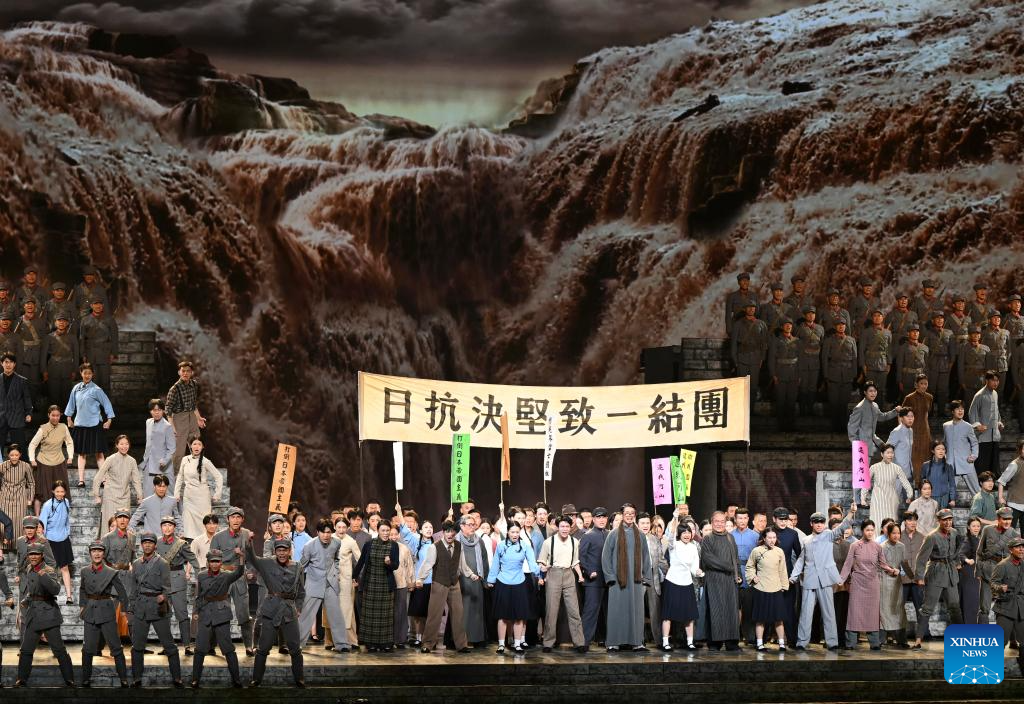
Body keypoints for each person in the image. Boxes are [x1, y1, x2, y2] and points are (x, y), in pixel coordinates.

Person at [789, 504, 856, 651]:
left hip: (825, 579)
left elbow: (842, 526)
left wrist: (851, 512)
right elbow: (801, 559)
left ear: (824, 524)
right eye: (816, 522)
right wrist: (793, 576)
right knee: (806, 613)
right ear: (811, 524)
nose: (819, 525)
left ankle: (832, 642)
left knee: (829, 612)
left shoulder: (829, 535)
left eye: (821, 522)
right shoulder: (806, 540)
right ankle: (802, 642)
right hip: (810, 580)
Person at [244, 536, 306, 687]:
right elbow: (252, 558)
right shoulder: (267, 563)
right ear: (274, 551)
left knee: (295, 648)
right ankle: (256, 679)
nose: (282, 553)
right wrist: (249, 543)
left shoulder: (298, 567)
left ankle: (299, 678)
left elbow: (301, 592)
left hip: (288, 611)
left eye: (285, 550)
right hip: (271, 610)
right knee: (263, 648)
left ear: (290, 551)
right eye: (279, 550)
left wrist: (298, 607)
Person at [13, 544, 75, 687]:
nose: (33, 556)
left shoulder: (48, 570)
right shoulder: (29, 568)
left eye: (36, 554)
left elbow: (56, 590)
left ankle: (69, 679)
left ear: (42, 555)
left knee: (59, 649)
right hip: (33, 614)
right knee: (26, 649)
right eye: (31, 554)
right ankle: (22, 679)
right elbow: (32, 591)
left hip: (48, 614)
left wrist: (44, 576)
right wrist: (26, 600)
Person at [127, 531, 184, 688]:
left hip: (158, 608)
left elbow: (167, 588)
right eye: (145, 542)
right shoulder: (137, 564)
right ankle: (137, 677)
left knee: (169, 645)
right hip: (140, 607)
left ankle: (177, 677)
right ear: (142, 545)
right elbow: (133, 589)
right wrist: (130, 609)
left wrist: (163, 597)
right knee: (137, 646)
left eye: (150, 542)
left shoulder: (163, 563)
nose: (147, 545)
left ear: (155, 545)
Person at [189, 548, 244, 689]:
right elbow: (199, 595)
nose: (214, 564)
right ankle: (195, 679)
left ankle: (236, 679)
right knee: (200, 648)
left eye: (217, 561)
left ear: (221, 563)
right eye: (212, 561)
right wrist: (196, 611)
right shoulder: (201, 576)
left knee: (228, 648)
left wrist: (241, 558)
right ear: (208, 562)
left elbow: (239, 572)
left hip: (221, 614)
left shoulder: (226, 576)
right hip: (206, 613)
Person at [417, 519, 473, 654]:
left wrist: (470, 574)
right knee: (434, 615)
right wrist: (420, 579)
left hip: (454, 583)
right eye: (448, 531)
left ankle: (461, 644)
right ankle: (428, 643)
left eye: (453, 532)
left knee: (458, 614)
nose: (450, 534)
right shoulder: (434, 547)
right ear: (443, 532)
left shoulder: (459, 546)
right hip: (439, 583)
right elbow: (427, 564)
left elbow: (462, 563)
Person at [601, 503, 652, 652]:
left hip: (635, 580)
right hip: (617, 580)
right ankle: (613, 642)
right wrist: (610, 576)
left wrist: (646, 577)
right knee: (616, 611)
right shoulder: (614, 534)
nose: (629, 515)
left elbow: (646, 557)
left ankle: (637, 642)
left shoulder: (640, 535)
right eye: (627, 513)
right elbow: (606, 557)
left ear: (634, 515)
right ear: (622, 515)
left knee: (636, 612)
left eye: (632, 513)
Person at [79, 541, 129, 688]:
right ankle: (85, 678)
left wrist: (125, 610)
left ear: (103, 553)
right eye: (94, 551)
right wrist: (82, 606)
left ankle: (124, 678)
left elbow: (122, 593)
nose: (97, 553)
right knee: (88, 648)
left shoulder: (111, 572)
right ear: (90, 553)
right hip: (90, 612)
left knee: (116, 647)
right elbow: (82, 589)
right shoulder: (84, 571)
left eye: (99, 551)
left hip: (106, 612)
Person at [840, 519, 897, 649]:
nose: (870, 532)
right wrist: (841, 579)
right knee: (854, 612)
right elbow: (848, 564)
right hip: (858, 583)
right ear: (862, 531)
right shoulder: (854, 545)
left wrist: (891, 570)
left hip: (872, 584)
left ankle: (874, 643)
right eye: (867, 530)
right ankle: (851, 643)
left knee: (872, 613)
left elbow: (882, 564)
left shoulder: (877, 546)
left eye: (872, 530)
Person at [487, 520, 540, 654]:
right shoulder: (500, 546)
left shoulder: (525, 545)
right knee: (502, 616)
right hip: (503, 582)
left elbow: (532, 563)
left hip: (519, 582)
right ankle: (501, 644)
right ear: (508, 532)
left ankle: (517, 644)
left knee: (519, 616)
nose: (515, 534)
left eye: (517, 532)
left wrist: (540, 572)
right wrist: (491, 580)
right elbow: (495, 564)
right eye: (512, 532)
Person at [297, 519, 349, 652]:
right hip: (314, 584)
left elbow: (336, 559)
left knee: (336, 615)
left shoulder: (336, 542)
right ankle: (297, 644)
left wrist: (336, 573)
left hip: (330, 584)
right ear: (318, 532)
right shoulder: (309, 546)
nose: (326, 536)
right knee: (306, 616)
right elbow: (301, 566)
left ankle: (341, 644)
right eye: (323, 533)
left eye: (329, 532)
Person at [537, 514, 586, 653]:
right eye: (562, 526)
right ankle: (548, 642)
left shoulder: (574, 542)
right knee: (552, 610)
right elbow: (541, 561)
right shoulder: (549, 542)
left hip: (569, 574)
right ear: (558, 527)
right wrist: (543, 569)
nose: (565, 529)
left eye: (567, 526)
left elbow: (575, 561)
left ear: (571, 527)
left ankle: (579, 642)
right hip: (554, 574)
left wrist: (581, 576)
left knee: (574, 610)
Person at [209, 507, 254, 655]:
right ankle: (213, 646)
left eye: (238, 517)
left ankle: (248, 646)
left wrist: (250, 571)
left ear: (242, 519)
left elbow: (252, 557)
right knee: (220, 612)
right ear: (227, 519)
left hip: (240, 576)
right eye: (233, 517)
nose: (235, 520)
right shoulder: (218, 537)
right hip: (223, 576)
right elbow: (212, 559)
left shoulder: (247, 534)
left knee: (244, 613)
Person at [914, 508, 964, 641]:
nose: (948, 523)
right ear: (938, 521)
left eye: (950, 519)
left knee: (955, 607)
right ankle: (918, 639)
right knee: (927, 608)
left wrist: (957, 562)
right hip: (936, 573)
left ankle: (960, 637)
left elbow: (956, 551)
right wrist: (919, 577)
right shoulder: (932, 537)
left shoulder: (954, 533)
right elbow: (921, 558)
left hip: (951, 574)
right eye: (945, 520)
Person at [155, 515, 200, 655]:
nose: (167, 528)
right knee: (164, 615)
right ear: (161, 527)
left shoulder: (181, 544)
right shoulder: (157, 543)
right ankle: (167, 646)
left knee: (182, 614)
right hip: (162, 582)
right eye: (164, 525)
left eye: (170, 525)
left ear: (174, 527)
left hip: (178, 580)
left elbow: (193, 560)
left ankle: (187, 646)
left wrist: (201, 575)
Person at [353, 521, 401, 651]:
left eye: (387, 531)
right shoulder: (369, 544)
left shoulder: (394, 545)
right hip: (370, 583)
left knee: (385, 616)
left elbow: (396, 565)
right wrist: (353, 576)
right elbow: (362, 561)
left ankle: (385, 643)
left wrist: (389, 562)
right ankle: (370, 644)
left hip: (386, 585)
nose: (385, 533)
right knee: (370, 615)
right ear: (378, 531)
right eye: (383, 530)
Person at [66, 363, 114, 487]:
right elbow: (71, 404)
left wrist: (109, 420)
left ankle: (104, 479)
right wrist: (69, 418)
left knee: (99, 453)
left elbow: (107, 404)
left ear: (92, 374)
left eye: (89, 373)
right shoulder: (76, 388)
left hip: (94, 424)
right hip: (80, 424)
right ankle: (81, 480)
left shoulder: (97, 390)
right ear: (81, 373)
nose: (87, 375)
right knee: (82, 453)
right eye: (84, 373)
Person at [699, 511, 741, 651]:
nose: (719, 524)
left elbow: (735, 558)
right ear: (712, 522)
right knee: (715, 611)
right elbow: (708, 559)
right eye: (716, 521)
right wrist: (727, 567)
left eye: (722, 521)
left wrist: (738, 574)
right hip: (714, 579)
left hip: (730, 580)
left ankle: (731, 642)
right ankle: (714, 643)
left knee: (731, 611)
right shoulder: (707, 539)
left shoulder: (730, 538)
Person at [745, 527, 789, 651]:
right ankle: (759, 643)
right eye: (769, 537)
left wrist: (784, 586)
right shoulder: (757, 551)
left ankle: (781, 643)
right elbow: (749, 567)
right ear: (764, 538)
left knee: (779, 618)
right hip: (761, 588)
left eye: (774, 537)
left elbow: (782, 570)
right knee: (760, 618)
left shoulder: (779, 551)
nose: (772, 540)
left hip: (776, 588)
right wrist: (753, 577)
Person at [173, 436, 223, 540]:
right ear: (190, 446)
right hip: (189, 497)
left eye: (199, 444)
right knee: (188, 524)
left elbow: (218, 476)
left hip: (202, 497)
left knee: (204, 524)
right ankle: (191, 549)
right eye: (194, 444)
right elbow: (180, 477)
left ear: (202, 447)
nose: (196, 446)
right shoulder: (185, 459)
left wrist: (217, 494)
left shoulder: (205, 461)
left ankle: (205, 548)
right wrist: (176, 493)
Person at [660, 521, 701, 651]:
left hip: (687, 582)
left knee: (689, 614)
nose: (687, 535)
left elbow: (694, 567)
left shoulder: (694, 547)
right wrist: (674, 518)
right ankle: (665, 641)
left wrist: (697, 572)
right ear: (679, 534)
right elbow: (670, 537)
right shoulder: (674, 545)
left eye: (689, 532)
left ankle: (690, 642)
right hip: (672, 582)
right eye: (684, 532)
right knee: (668, 614)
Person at [976, 507, 1019, 627]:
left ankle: (1009, 638)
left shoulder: (1014, 534)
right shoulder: (987, 530)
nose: (1007, 522)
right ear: (998, 519)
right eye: (1004, 519)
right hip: (988, 571)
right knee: (984, 607)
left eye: (1009, 519)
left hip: (1005, 574)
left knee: (1006, 608)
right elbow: (979, 552)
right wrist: (978, 572)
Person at [28, 405, 74, 514]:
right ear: (49, 415)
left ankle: (59, 515)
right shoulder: (43, 428)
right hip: (43, 462)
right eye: (53, 415)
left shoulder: (63, 427)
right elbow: (32, 444)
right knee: (40, 491)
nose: (55, 418)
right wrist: (32, 459)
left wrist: (70, 456)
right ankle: (38, 518)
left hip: (58, 462)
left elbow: (69, 442)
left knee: (61, 490)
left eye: (58, 415)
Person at [92, 435, 142, 535]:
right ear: (117, 445)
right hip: (110, 496)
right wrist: (96, 495)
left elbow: (136, 479)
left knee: (124, 525)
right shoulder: (111, 459)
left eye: (126, 444)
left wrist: (140, 496)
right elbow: (98, 476)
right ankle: (106, 547)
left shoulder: (132, 461)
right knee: (110, 524)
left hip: (124, 496)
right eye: (121, 444)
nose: (124, 446)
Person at [990, 536, 1024, 677]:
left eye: (1023, 547)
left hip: (1021, 607)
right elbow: (992, 583)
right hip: (1006, 607)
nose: (1021, 549)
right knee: (1001, 640)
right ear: (1011, 549)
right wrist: (1000, 588)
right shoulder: (1003, 565)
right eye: (1018, 547)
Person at [165, 361, 206, 473]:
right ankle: (174, 473)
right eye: (183, 371)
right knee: (179, 449)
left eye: (188, 371)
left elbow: (193, 404)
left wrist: (198, 418)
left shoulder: (194, 385)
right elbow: (168, 409)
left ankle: (197, 469)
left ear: (192, 372)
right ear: (179, 372)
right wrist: (172, 426)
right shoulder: (174, 389)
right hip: (179, 418)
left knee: (196, 442)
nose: (185, 373)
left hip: (191, 416)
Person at [455, 514, 489, 646]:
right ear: (462, 526)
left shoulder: (479, 541)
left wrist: (485, 579)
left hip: (477, 580)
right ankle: (461, 640)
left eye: (474, 524)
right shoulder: (456, 540)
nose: (472, 527)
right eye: (469, 525)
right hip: (460, 580)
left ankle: (476, 638)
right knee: (462, 611)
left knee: (476, 611)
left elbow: (484, 560)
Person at [38, 480, 74, 601]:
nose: (60, 494)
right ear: (53, 491)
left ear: (65, 492)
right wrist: (43, 540)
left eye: (62, 491)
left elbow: (66, 519)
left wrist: (67, 532)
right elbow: (42, 524)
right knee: (50, 569)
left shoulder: (66, 502)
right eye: (57, 491)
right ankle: (50, 594)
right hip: (50, 540)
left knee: (64, 568)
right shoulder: (48, 505)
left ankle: (69, 596)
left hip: (63, 539)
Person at [861, 444, 913, 526]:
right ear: (882, 454)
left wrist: (910, 495)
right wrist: (863, 498)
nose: (890, 455)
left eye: (892, 453)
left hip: (891, 500)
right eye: (888, 453)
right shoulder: (874, 467)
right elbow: (866, 483)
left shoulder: (897, 468)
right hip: (877, 501)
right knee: (877, 523)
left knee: (891, 524)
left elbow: (905, 482)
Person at [579, 506, 609, 648]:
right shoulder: (588, 535)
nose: (601, 520)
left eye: (604, 517)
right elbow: (581, 557)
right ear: (593, 519)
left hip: (609, 581)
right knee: (590, 612)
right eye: (598, 517)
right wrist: (589, 571)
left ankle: (606, 640)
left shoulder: (610, 534)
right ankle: (583, 642)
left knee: (607, 613)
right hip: (594, 581)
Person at [822, 320, 859, 432]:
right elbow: (824, 359)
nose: (841, 327)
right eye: (839, 325)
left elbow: (854, 358)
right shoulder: (829, 340)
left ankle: (843, 426)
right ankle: (834, 426)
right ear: (835, 326)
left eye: (843, 325)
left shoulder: (851, 340)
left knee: (844, 402)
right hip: (833, 373)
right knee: (834, 402)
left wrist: (854, 374)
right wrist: (826, 374)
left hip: (847, 374)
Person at [879, 523, 911, 647]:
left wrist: (914, 577)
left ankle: (902, 640)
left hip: (897, 582)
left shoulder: (901, 546)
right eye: (894, 533)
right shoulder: (882, 547)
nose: (896, 535)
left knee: (898, 610)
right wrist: (891, 570)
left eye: (898, 533)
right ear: (888, 533)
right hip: (884, 581)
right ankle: (881, 640)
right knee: (884, 609)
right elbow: (880, 564)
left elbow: (904, 563)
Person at [731, 301, 768, 405]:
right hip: (742, 358)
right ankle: (741, 409)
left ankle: (751, 410)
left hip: (756, 359)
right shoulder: (738, 324)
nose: (751, 309)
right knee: (741, 386)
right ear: (745, 309)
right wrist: (735, 360)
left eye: (753, 307)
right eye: (749, 307)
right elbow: (733, 344)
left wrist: (762, 359)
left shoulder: (761, 324)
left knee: (753, 386)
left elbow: (764, 343)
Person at [847, 382, 900, 455]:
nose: (873, 393)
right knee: (862, 466)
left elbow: (882, 417)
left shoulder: (875, 406)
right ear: (865, 392)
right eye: (870, 391)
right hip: (860, 448)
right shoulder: (859, 408)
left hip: (870, 446)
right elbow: (851, 429)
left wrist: (895, 411)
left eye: (875, 391)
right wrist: (857, 446)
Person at [731, 507, 759, 645]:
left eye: (745, 518)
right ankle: (733, 637)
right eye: (739, 518)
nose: (742, 521)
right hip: (733, 575)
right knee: (733, 609)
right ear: (735, 519)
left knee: (749, 608)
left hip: (749, 575)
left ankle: (750, 637)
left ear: (748, 519)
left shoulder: (755, 536)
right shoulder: (729, 535)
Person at [41, 314, 79, 412]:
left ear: (67, 323)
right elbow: (43, 356)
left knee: (66, 395)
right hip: (53, 369)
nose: (61, 323)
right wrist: (44, 371)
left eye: (64, 321)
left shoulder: (73, 337)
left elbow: (76, 355)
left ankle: (66, 418)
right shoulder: (49, 337)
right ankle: (54, 418)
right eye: (59, 321)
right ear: (55, 323)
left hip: (67, 369)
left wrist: (75, 370)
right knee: (54, 395)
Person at [638, 512, 666, 645]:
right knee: (638, 611)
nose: (645, 525)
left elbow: (661, 559)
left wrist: (670, 573)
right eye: (642, 523)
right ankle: (638, 640)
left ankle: (659, 640)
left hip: (653, 577)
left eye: (647, 523)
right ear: (637, 524)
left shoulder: (654, 539)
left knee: (655, 611)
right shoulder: (633, 538)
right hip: (637, 579)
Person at [78, 298, 118, 391]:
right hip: (90, 354)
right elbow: (82, 339)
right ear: (91, 306)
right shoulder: (85, 320)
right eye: (95, 304)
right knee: (92, 382)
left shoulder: (110, 319)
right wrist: (83, 355)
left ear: (103, 305)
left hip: (105, 354)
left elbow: (115, 337)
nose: (98, 306)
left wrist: (113, 353)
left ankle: (105, 405)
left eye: (100, 304)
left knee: (105, 382)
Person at [970, 370, 1004, 476]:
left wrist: (999, 422)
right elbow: (972, 412)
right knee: (983, 463)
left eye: (997, 380)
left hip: (994, 434)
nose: (996, 383)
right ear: (987, 380)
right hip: (983, 435)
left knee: (993, 462)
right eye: (993, 380)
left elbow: (996, 411)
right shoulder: (979, 395)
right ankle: (982, 483)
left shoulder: (995, 393)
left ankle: (993, 482)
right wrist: (977, 425)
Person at [334, 516, 361, 648]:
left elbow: (360, 560)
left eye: (344, 527)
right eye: (339, 527)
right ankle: (334, 641)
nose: (341, 529)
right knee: (333, 610)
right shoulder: (329, 539)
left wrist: (356, 577)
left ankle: (349, 641)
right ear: (335, 527)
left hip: (345, 580)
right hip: (331, 580)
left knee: (347, 610)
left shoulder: (350, 541)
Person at [140, 399, 176, 495]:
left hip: (162, 464)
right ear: (150, 411)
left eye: (159, 410)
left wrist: (165, 460)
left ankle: (173, 510)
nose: (156, 412)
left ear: (163, 411)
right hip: (149, 462)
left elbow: (172, 448)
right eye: (154, 410)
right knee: (148, 492)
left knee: (168, 493)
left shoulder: (167, 426)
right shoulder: (148, 422)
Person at [944, 400, 980, 495]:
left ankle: (983, 508)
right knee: (948, 491)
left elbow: (975, 443)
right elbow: (945, 444)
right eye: (957, 409)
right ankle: (946, 509)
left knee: (976, 490)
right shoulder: (946, 426)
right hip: (951, 463)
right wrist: (944, 456)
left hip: (966, 462)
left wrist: (973, 456)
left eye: (962, 409)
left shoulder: (968, 426)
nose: (960, 411)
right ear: (952, 411)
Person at [924, 310, 956, 415]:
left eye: (941, 318)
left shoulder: (949, 333)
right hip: (932, 363)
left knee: (943, 390)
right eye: (937, 318)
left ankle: (942, 411)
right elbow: (925, 349)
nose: (940, 320)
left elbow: (952, 351)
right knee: (931, 388)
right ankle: (930, 410)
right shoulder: (928, 333)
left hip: (945, 363)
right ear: (933, 320)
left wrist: (950, 364)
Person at [902, 374, 933, 480]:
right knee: (914, 458)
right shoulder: (909, 398)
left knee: (926, 457)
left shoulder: (929, 397)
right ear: (916, 384)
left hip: (925, 431)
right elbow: (902, 415)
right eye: (921, 383)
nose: (924, 386)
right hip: (912, 430)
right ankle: (915, 483)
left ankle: (925, 484)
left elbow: (928, 413)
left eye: (926, 384)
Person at [0, 444, 34, 538]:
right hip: (5, 498)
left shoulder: (26, 466)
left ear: (20, 455)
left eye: (16, 455)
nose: (14, 457)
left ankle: (17, 547)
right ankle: (4, 547)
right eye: (12, 455)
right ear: (8, 455)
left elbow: (31, 483)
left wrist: (30, 498)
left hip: (20, 498)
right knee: (4, 523)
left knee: (19, 524)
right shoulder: (2, 466)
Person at [0, 353, 33, 450]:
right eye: (6, 362)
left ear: (14, 364)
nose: (8, 364)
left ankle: (23, 465)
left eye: (11, 362)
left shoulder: (22, 381)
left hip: (17, 417)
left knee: (20, 447)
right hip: (1, 417)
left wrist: (29, 413)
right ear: (1, 363)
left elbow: (27, 398)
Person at [796, 306, 824, 416]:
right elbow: (796, 344)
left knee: (812, 386)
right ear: (805, 315)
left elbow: (822, 344)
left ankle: (810, 409)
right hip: (803, 361)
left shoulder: (820, 328)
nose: (811, 315)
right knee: (803, 386)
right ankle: (803, 410)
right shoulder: (800, 328)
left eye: (813, 313)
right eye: (808, 313)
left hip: (815, 362)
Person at [959, 517, 983, 627]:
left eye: (978, 526)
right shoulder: (968, 539)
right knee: (970, 602)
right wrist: (967, 560)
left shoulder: (979, 538)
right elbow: (961, 554)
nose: (976, 528)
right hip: (969, 573)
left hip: (976, 573)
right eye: (973, 526)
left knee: (974, 603)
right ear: (968, 527)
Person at [920, 440, 956, 509]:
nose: (941, 451)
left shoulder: (948, 467)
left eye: (943, 449)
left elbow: (952, 484)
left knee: (942, 518)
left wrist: (952, 499)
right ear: (933, 451)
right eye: (938, 449)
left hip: (944, 498)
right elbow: (922, 483)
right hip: (930, 497)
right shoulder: (926, 465)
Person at [885, 408, 915, 487]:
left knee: (908, 498)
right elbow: (886, 450)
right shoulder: (897, 431)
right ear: (901, 418)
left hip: (908, 471)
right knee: (896, 498)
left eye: (912, 416)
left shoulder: (910, 431)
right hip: (897, 473)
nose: (910, 418)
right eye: (907, 416)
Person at [998, 438, 1024, 529]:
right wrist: (1001, 497)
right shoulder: (1015, 464)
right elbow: (1002, 481)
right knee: (1009, 532)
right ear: (1020, 450)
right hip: (1014, 504)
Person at [725, 272, 758, 337]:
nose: (745, 282)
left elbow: (758, 312)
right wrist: (729, 330)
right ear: (738, 283)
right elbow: (728, 315)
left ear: (749, 282)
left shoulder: (754, 296)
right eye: (743, 280)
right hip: (737, 327)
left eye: (747, 280)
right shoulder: (732, 296)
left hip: (751, 327)